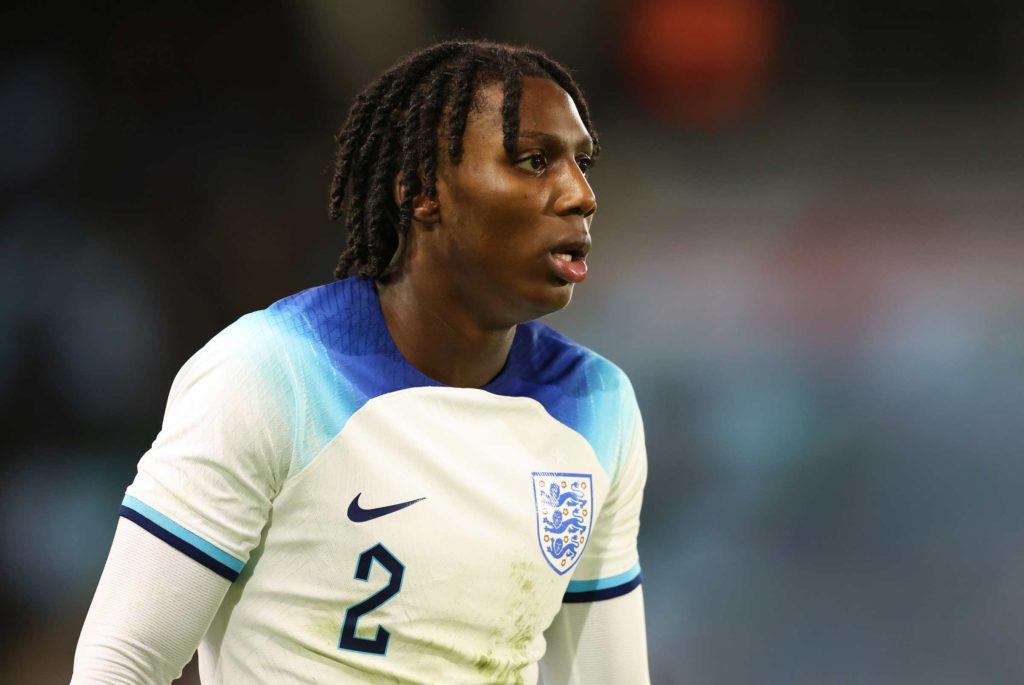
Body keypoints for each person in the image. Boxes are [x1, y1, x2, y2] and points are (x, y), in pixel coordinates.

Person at [72, 39, 650, 684]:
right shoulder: (272, 371)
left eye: (582, 162)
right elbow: (121, 663)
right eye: (534, 161)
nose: (580, 193)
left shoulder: (599, 404)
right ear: (423, 192)